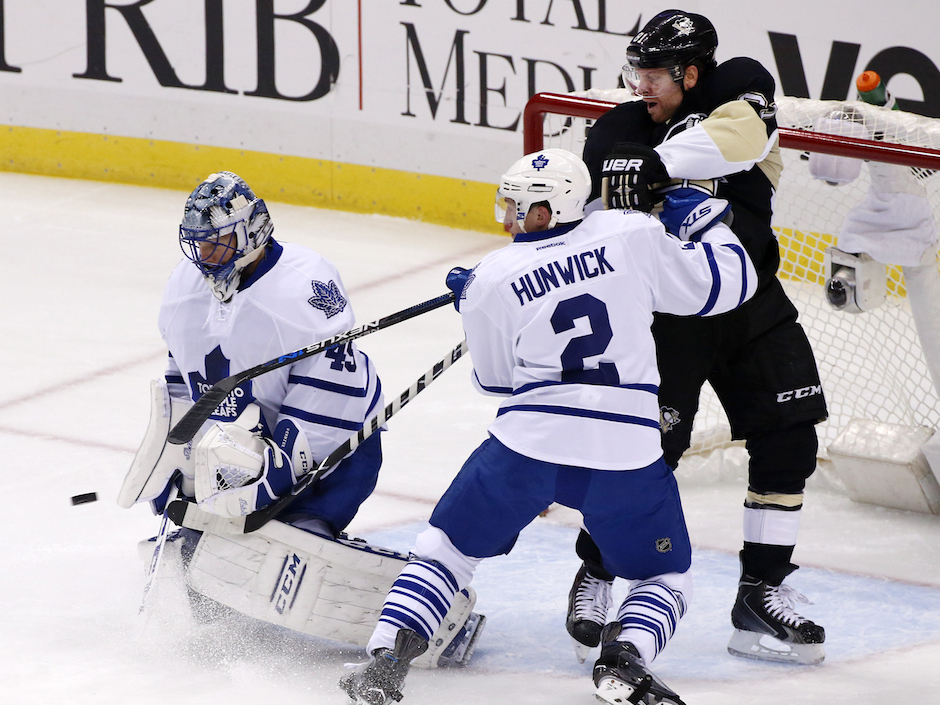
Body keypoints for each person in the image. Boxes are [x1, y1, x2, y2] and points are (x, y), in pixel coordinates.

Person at [337, 148, 758, 705]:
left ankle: (387, 661)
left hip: (527, 446)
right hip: (624, 450)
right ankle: (624, 659)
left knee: (444, 551)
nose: (508, 218)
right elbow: (730, 286)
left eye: (517, 207)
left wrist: (481, 304)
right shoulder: (629, 232)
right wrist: (709, 224)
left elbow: (494, 384)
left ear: (544, 212)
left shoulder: (493, 275)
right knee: (664, 578)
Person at [565, 9, 829, 666]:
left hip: (752, 303)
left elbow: (741, 139)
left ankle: (761, 589)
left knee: (790, 436)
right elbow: (598, 204)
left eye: (653, 74)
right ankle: (598, 568)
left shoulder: (740, 84)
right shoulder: (619, 128)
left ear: (690, 71)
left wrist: (655, 166)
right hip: (667, 317)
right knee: (645, 449)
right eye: (636, 72)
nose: (640, 86)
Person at [118, 169, 384, 559]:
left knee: (295, 535)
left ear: (253, 231)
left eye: (218, 243)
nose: (205, 257)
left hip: (326, 453)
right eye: (199, 245)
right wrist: (181, 461)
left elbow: (330, 392)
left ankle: (310, 528)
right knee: (207, 549)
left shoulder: (305, 283)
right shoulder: (182, 287)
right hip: (234, 453)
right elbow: (180, 381)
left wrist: (279, 472)